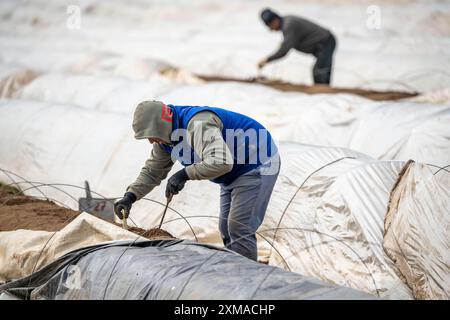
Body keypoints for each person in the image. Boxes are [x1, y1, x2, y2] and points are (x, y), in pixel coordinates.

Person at [114, 101, 280, 261]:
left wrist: (184, 174)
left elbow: (222, 162)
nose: (151, 141)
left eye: (151, 135)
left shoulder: (198, 124)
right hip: (233, 172)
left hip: (257, 162)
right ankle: (235, 274)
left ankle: (247, 280)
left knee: (239, 227)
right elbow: (153, 171)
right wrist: (131, 196)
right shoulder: (164, 140)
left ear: (159, 125)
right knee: (225, 229)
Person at [258, 8, 336, 85]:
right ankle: (323, 91)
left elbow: (284, 51)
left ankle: (322, 92)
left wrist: (267, 60)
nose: (271, 29)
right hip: (323, 43)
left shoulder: (288, 25)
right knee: (321, 69)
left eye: (270, 26)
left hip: (325, 42)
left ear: (275, 20)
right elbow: (289, 42)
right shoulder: (287, 23)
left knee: (319, 70)